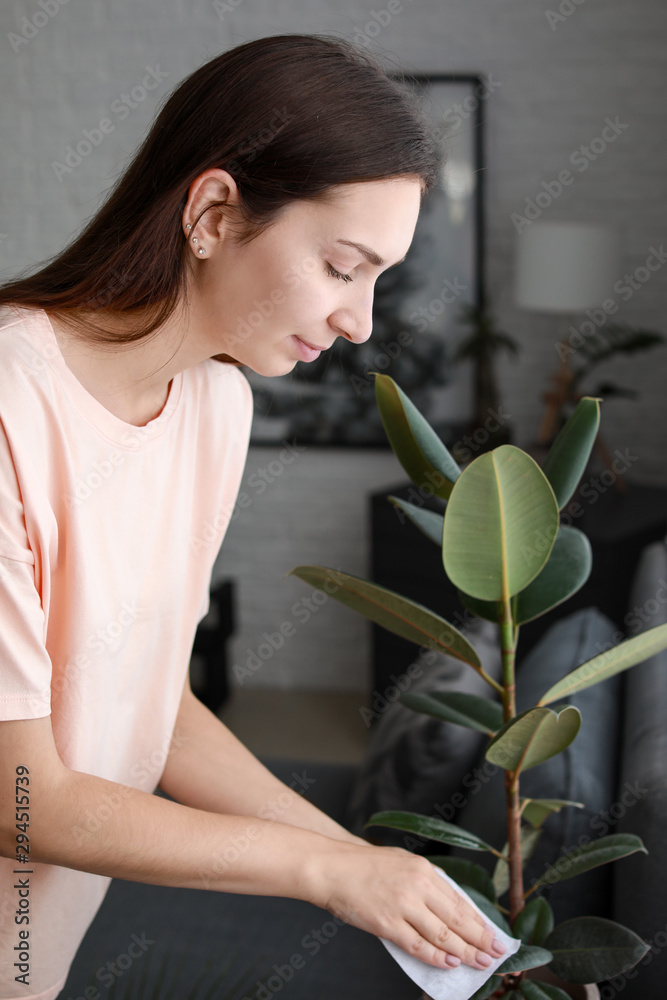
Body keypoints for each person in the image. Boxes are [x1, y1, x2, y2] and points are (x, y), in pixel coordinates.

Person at [0, 33, 505, 999]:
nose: (361, 321)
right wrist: (326, 873)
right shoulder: (12, 410)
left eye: (380, 278)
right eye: (342, 266)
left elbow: (153, 708)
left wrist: (366, 868)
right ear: (214, 211)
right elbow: (26, 804)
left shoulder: (215, 404)